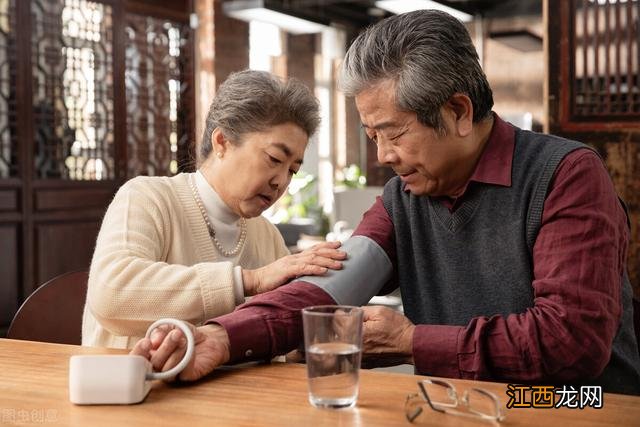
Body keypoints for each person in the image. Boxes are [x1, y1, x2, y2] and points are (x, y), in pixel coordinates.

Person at [131, 11, 640, 395]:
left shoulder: (567, 176)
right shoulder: (404, 198)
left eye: (391, 133)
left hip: (572, 407)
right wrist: (221, 337)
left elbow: (571, 343)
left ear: (459, 111)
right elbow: (324, 290)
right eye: (370, 135)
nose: (381, 157)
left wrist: (412, 341)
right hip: (455, 407)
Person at [82, 70, 347, 348]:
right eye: (274, 159)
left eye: (292, 170)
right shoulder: (148, 198)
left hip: (238, 392)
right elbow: (111, 294)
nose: (281, 181)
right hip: (135, 387)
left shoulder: (266, 235)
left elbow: (282, 334)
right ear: (222, 142)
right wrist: (250, 281)